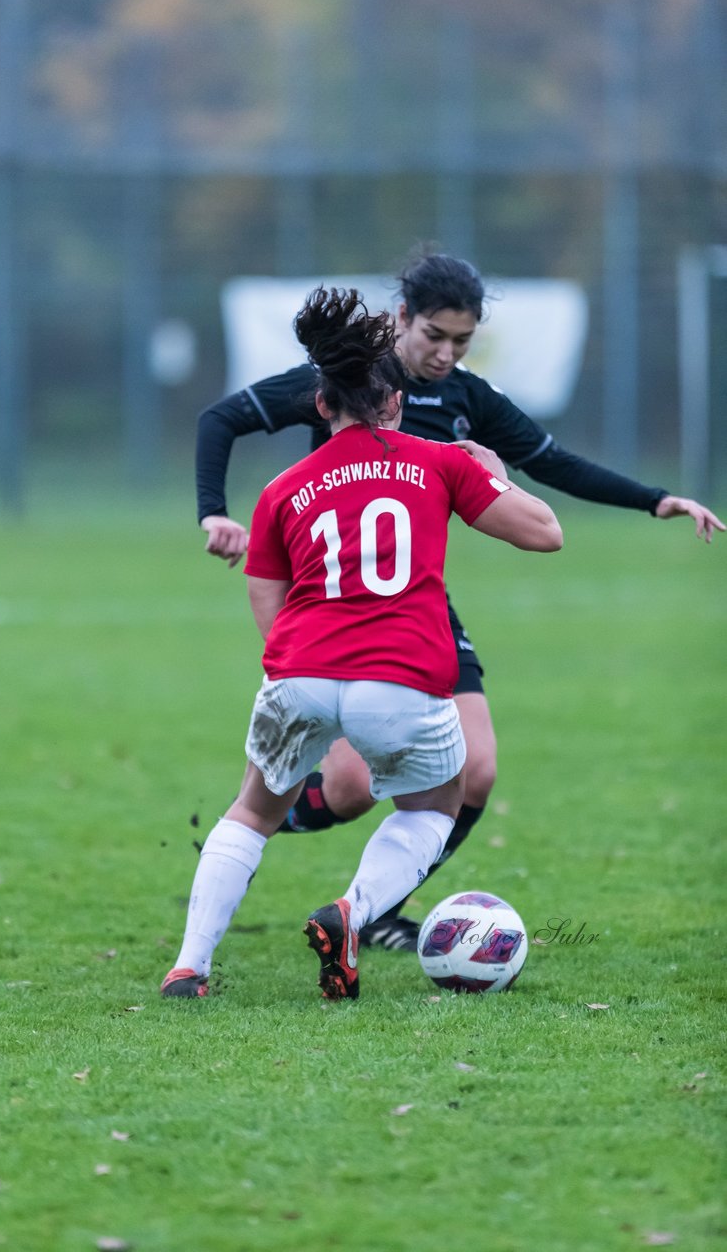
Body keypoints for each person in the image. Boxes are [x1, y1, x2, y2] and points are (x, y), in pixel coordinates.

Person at [195, 250, 725, 954]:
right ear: (403, 319)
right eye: (435, 337)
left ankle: (375, 910)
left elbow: (552, 461)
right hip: (332, 608)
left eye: (461, 342)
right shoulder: (345, 380)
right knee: (350, 789)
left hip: (416, 608)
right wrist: (213, 512)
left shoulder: (467, 398)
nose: (445, 355)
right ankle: (281, 814)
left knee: (479, 769)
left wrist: (653, 499)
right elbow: (222, 418)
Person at [162, 286, 562, 1000]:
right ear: (397, 402)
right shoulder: (442, 462)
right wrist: (497, 476)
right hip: (406, 676)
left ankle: (189, 967)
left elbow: (263, 590)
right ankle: (353, 912)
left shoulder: (285, 487)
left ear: (322, 406)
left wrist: (296, 674)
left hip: (301, 673)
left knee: (254, 808)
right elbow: (545, 534)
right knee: (435, 805)